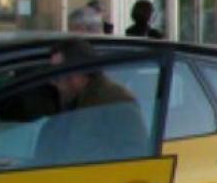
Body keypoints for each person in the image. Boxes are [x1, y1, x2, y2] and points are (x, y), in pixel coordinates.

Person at [37, 39, 148, 167]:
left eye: (58, 76)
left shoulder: (116, 102)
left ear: (79, 73)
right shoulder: (71, 103)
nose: (54, 83)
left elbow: (136, 156)